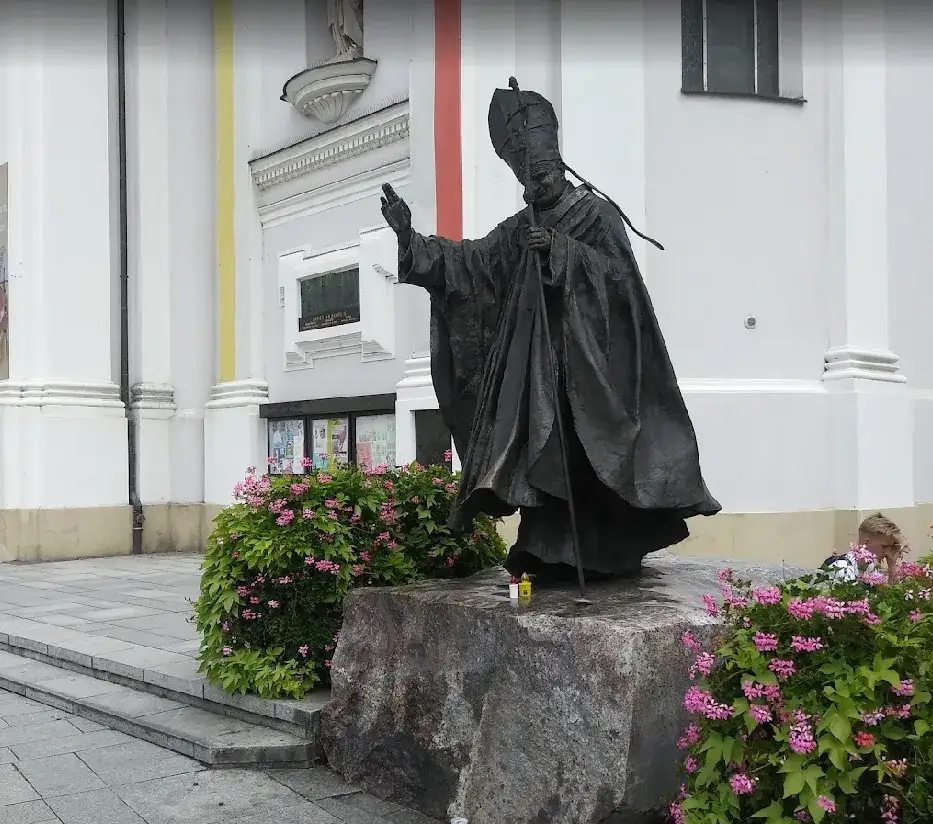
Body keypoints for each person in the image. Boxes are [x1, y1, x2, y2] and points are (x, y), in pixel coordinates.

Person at [380, 83, 721, 584]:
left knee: (590, 454)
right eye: (528, 176)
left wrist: (562, 251)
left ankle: (607, 549)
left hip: (592, 366)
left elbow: (622, 281)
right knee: (541, 449)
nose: (535, 182)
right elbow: (470, 266)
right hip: (540, 371)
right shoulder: (521, 227)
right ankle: (546, 545)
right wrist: (410, 240)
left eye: (543, 172)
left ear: (559, 165)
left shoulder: (596, 214)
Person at [822, 513, 907, 585]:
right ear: (866, 543)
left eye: (890, 547)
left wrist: (892, 565)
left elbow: (890, 598)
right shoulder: (843, 568)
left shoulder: (870, 566)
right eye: (884, 546)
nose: (888, 552)